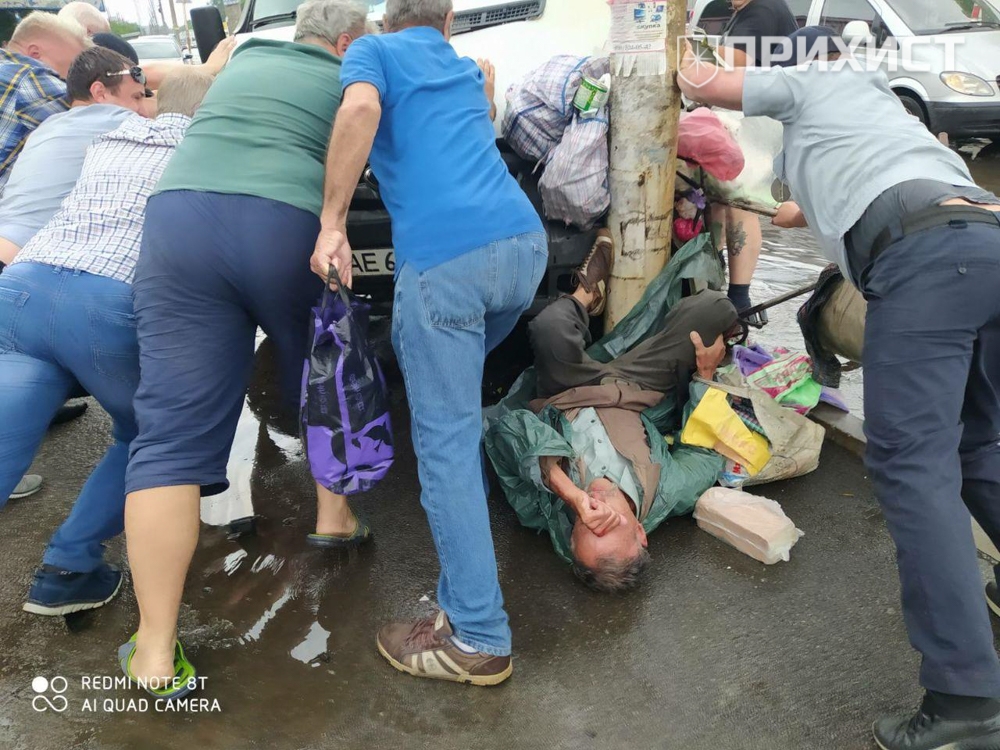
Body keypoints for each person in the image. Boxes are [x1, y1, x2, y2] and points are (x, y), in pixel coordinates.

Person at [679, 25, 1000, 750]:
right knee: (980, 443)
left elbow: (699, 84)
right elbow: (794, 210)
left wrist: (649, 38)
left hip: (928, 260)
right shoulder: (883, 111)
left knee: (913, 468)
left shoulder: (813, 78)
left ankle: (965, 703)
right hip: (986, 242)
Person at [121, 0, 368, 698]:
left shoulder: (247, 53)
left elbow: (194, 67)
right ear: (347, 41)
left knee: (166, 436)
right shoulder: (355, 76)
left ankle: (155, 654)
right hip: (282, 217)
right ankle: (334, 519)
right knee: (323, 373)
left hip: (180, 218)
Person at [309, 0, 546, 687]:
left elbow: (357, 114)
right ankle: (459, 600)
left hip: (446, 264)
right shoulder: (464, 66)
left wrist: (332, 223)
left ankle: (478, 636)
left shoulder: (374, 54)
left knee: (444, 447)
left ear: (387, 19)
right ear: (446, 22)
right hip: (521, 251)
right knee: (456, 411)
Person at [0, 67, 213, 617]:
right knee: (149, 434)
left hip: (22, 286)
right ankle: (68, 566)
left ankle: (71, 573)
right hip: (104, 303)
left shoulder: (112, 138)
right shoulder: (205, 152)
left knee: (5, 442)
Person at [489, 232, 738, 591]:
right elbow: (703, 451)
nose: (596, 507)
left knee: (549, 329)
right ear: (641, 531)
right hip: (635, 390)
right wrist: (706, 375)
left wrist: (564, 489)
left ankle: (586, 297)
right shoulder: (668, 492)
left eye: (587, 522)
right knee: (716, 310)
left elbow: (508, 429)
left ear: (571, 541)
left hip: (568, 390)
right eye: (612, 522)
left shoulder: (542, 508)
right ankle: (650, 327)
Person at [0, 46, 147, 267]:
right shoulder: (118, 119)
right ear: (100, 92)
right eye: (136, 97)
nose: (141, 109)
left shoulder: (45, 128)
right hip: (24, 263)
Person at [711, 0, 798, 321]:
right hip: (753, 115)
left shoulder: (762, 10)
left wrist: (687, 55)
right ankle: (716, 280)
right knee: (719, 200)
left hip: (760, 121)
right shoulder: (747, 12)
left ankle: (740, 298)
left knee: (740, 202)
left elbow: (734, 62)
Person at [0, 12, 90, 189]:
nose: (71, 82)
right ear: (34, 53)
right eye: (70, 72)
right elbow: (99, 114)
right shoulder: (27, 78)